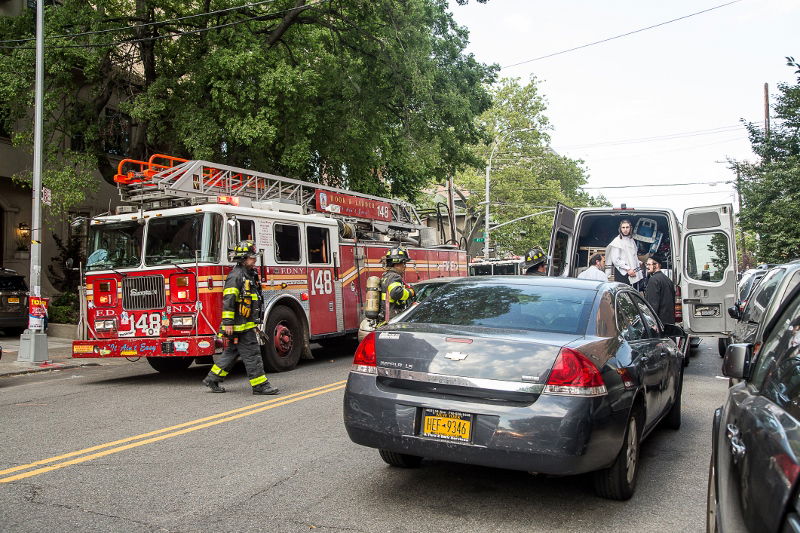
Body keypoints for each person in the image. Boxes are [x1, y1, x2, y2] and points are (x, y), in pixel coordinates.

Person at [202, 240, 279, 395]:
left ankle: (212, 378)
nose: (254, 260)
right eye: (251, 257)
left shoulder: (247, 274)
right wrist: (228, 323)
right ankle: (260, 385)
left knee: (231, 352)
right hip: (239, 325)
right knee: (252, 354)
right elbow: (228, 301)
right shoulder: (236, 276)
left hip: (245, 323)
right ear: (243, 259)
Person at [379, 247, 416, 322]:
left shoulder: (386, 276)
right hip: (393, 316)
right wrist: (411, 292)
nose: (404, 266)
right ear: (397, 264)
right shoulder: (395, 276)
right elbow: (396, 293)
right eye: (403, 263)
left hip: (386, 315)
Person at [607, 219, 643, 286]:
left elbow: (632, 255)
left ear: (630, 228)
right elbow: (615, 260)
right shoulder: (617, 241)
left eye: (627, 227)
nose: (625, 229)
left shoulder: (631, 239)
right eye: (623, 227)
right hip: (623, 273)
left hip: (632, 271)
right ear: (620, 229)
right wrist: (628, 269)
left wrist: (638, 262)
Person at [644, 253, 676, 326]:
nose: (647, 267)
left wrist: (652, 323)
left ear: (657, 265)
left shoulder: (653, 280)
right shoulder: (667, 279)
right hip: (669, 321)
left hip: (659, 322)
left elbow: (652, 303)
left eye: (649, 264)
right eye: (647, 264)